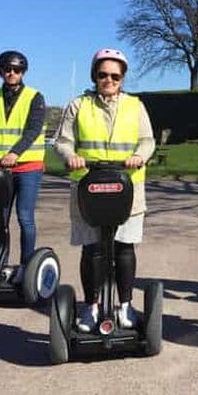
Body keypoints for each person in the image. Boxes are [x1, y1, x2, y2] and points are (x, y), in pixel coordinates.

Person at [54, 48, 155, 332]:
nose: (108, 80)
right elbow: (62, 141)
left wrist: (140, 156)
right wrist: (70, 156)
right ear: (94, 76)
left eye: (115, 75)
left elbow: (148, 141)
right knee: (93, 249)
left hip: (127, 187)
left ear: (122, 78)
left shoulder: (135, 106)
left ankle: (125, 305)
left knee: (124, 248)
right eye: (103, 75)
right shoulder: (78, 105)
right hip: (89, 188)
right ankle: (92, 306)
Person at [0, 51, 47, 283]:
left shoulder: (35, 97)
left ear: (23, 72)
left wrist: (15, 152)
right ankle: (0, 265)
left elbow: (33, 129)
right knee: (0, 217)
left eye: (16, 70)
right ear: (0, 71)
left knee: (25, 217)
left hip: (28, 166)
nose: (12, 73)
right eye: (7, 69)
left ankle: (26, 268)